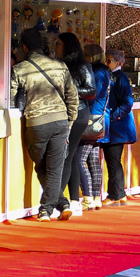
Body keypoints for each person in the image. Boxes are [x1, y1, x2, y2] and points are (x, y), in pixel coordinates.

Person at [10, 28, 79, 221]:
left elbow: (11, 98)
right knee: (55, 168)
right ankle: (62, 203)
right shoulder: (60, 66)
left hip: (36, 123)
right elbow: (72, 96)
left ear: (24, 47)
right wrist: (70, 121)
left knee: (41, 167)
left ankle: (46, 209)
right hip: (60, 121)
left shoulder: (19, 69)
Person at [54, 33, 96, 217]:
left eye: (59, 44)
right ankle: (72, 200)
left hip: (77, 113)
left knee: (67, 156)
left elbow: (92, 90)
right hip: (68, 112)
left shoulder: (81, 65)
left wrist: (70, 90)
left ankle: (60, 201)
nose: (56, 47)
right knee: (69, 157)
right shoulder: (63, 65)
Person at [101, 48, 136, 206]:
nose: (106, 63)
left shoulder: (120, 78)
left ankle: (114, 194)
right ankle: (119, 192)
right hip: (116, 126)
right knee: (114, 160)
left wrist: (113, 116)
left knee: (113, 160)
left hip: (117, 126)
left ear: (118, 62)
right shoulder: (114, 76)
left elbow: (128, 102)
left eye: (109, 61)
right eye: (106, 60)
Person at [78, 44, 111, 210]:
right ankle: (96, 197)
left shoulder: (95, 73)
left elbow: (91, 94)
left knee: (79, 160)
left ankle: (88, 196)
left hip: (90, 117)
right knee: (93, 160)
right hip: (99, 119)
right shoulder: (105, 72)